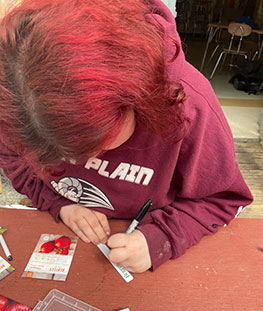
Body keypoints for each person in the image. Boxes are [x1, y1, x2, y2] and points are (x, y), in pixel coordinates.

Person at [0, 0, 253, 273]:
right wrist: (59, 203)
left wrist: (162, 238)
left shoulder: (189, 105)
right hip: (67, 225)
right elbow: (15, 162)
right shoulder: (15, 98)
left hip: (151, 234)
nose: (80, 160)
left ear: (135, 98)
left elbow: (222, 199)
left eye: (95, 144)